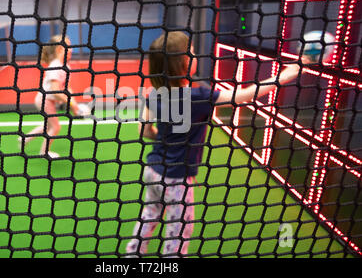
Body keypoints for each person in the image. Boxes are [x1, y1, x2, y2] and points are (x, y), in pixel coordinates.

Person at [126, 31, 301, 257]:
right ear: (184, 63)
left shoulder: (154, 95)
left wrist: (166, 136)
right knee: (179, 229)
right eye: (192, 52)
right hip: (177, 179)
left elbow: (145, 131)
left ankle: (133, 253)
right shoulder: (198, 96)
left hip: (152, 171)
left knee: (150, 213)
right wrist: (282, 77)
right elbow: (245, 94)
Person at [19, 35, 89, 159]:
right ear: (59, 49)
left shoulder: (65, 67)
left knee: (48, 126)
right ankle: (44, 152)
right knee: (56, 127)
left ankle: (25, 138)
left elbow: (67, 89)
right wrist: (72, 105)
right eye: (68, 46)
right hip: (44, 100)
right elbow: (56, 91)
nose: (71, 49)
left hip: (49, 100)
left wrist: (75, 106)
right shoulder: (55, 67)